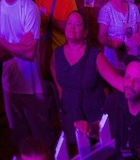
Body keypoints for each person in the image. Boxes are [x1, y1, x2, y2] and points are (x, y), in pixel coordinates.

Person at [0, 0, 55, 151]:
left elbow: (29, 52)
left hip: (31, 86)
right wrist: (18, 44)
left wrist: (4, 43)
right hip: (9, 85)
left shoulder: (28, 8)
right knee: (19, 138)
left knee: (43, 138)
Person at [52, 10, 124, 141]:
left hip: (95, 125)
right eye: (69, 23)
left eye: (78, 24)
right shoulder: (57, 55)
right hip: (71, 122)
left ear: (85, 32)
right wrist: (61, 92)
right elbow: (53, 68)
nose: (72, 26)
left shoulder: (95, 56)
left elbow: (117, 82)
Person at [98, 0, 140, 71]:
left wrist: (139, 35)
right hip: (113, 59)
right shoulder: (106, 10)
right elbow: (101, 37)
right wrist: (111, 43)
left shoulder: (134, 8)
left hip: (132, 58)